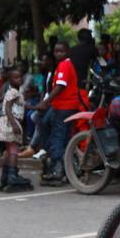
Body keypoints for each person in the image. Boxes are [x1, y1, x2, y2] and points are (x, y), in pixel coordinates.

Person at [37, 40, 82, 185]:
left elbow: (60, 86)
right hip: (64, 107)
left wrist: (46, 101)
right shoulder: (65, 65)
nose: (58, 54)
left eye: (61, 51)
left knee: (58, 137)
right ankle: (70, 169)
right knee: (63, 137)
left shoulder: (64, 65)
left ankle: (57, 171)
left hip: (64, 107)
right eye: (56, 51)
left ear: (67, 52)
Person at [0, 66, 33, 192]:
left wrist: (36, 107)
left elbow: (22, 106)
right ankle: (12, 175)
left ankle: (6, 174)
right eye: (15, 78)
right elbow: (7, 108)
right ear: (9, 80)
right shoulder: (13, 92)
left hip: (8, 122)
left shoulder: (15, 91)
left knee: (9, 150)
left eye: (20, 77)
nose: (19, 79)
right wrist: (14, 124)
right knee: (14, 150)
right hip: (10, 123)